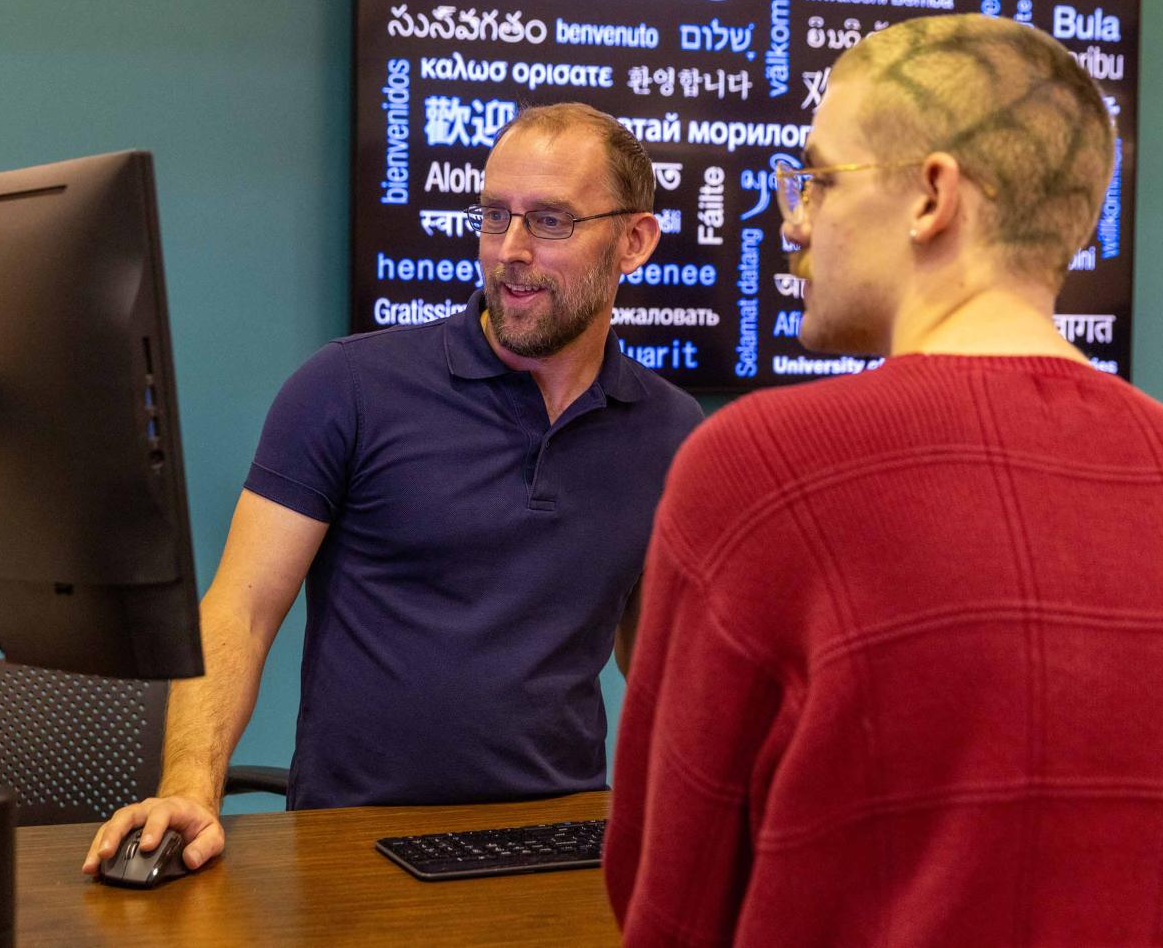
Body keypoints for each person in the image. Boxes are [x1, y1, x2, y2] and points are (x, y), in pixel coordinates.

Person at [605, 14, 1163, 945]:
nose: (793, 218)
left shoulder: (760, 471)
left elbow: (669, 902)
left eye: (819, 178)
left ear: (932, 196)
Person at [82, 102, 701, 876]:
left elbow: (657, 660)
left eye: (549, 221)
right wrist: (190, 789)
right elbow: (240, 609)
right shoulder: (346, 388)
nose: (509, 251)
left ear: (633, 241)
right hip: (357, 841)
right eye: (492, 216)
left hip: (563, 841)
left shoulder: (671, 431)